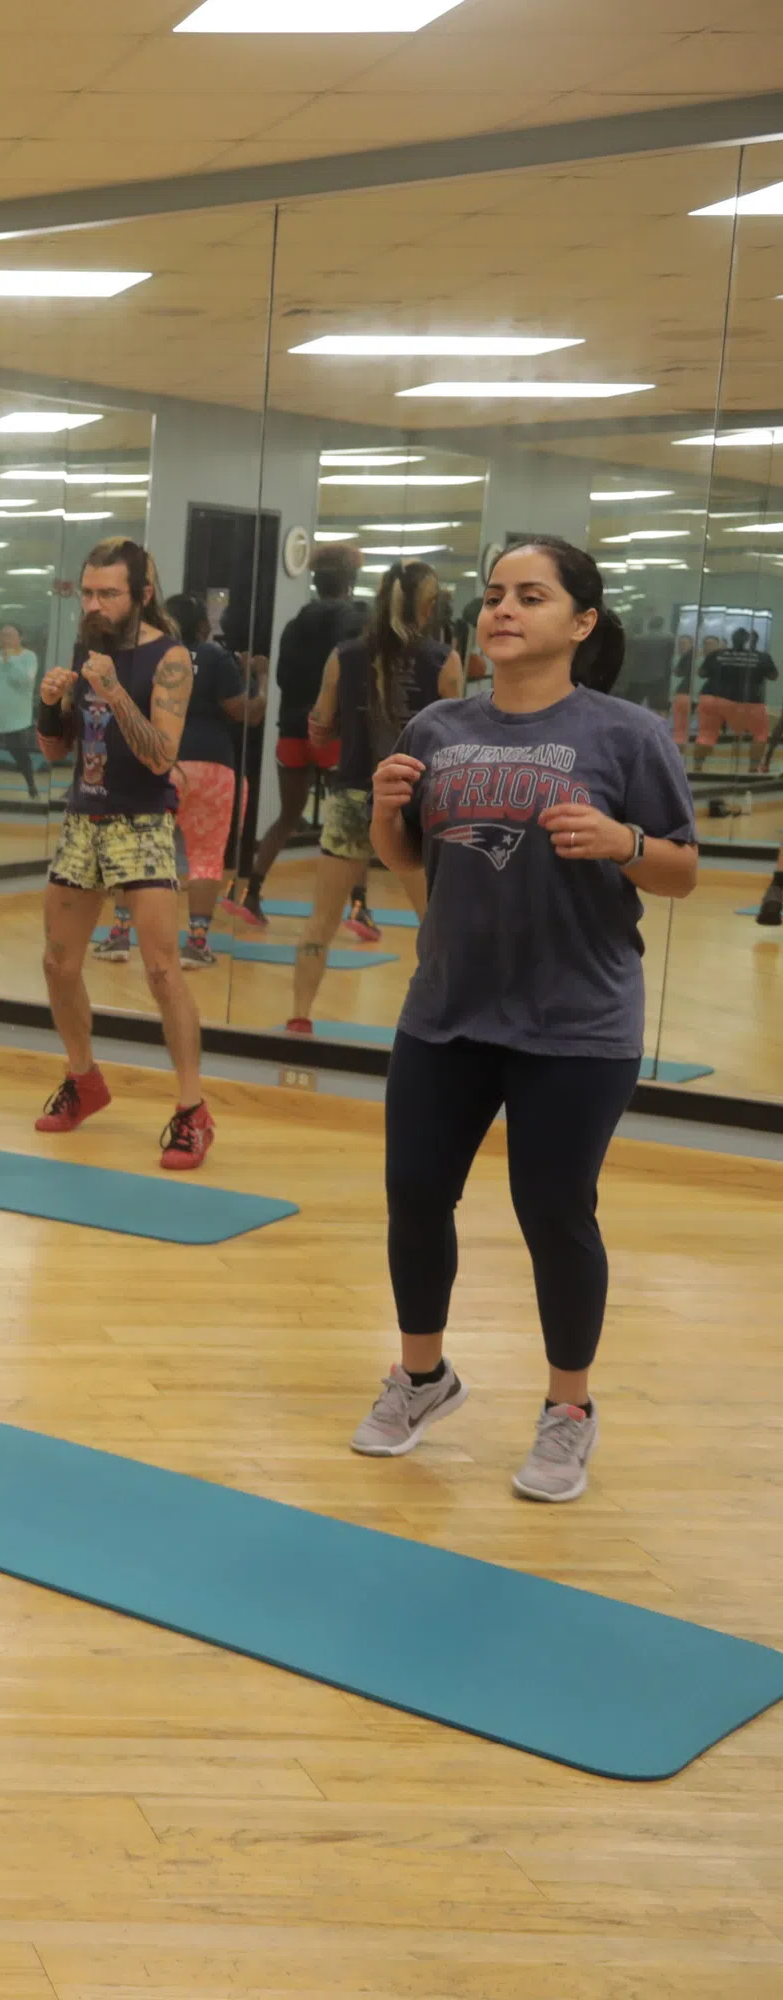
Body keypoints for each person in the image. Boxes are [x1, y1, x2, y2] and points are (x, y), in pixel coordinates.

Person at [348, 536, 697, 1503]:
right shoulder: (436, 727)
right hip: (447, 1008)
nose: (503, 610)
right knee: (416, 1195)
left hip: (577, 1021)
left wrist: (624, 841)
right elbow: (408, 859)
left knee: (553, 1212)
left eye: (530, 596)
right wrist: (385, 810)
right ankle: (422, 1378)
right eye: (494, 595)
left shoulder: (627, 735)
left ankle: (568, 1411)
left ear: (579, 624)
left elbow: (682, 868)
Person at [30, 539, 213, 1171]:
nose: (95, 604)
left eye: (108, 593)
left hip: (141, 822)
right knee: (57, 964)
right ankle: (85, 1080)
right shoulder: (90, 645)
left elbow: (161, 755)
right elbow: (59, 753)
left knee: (162, 971)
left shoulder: (172, 659)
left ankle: (192, 1111)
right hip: (85, 818)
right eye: (87, 592)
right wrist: (50, 705)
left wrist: (112, 690)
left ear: (140, 594)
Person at [283, 562, 464, 1035]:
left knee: (321, 919)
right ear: (427, 607)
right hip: (414, 802)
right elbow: (456, 746)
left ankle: (298, 1017)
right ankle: (440, 1020)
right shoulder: (445, 661)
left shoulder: (344, 656)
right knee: (434, 923)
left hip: (351, 799)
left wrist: (333, 721)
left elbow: (320, 731)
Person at [235, 544, 367, 925]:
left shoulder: (294, 625)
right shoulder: (357, 620)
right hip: (335, 732)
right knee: (354, 818)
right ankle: (360, 907)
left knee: (288, 816)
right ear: (351, 583)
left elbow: (280, 678)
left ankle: (251, 893)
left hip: (291, 731)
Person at [157, 592, 258, 968]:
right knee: (205, 858)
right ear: (203, 625)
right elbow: (242, 711)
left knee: (146, 854)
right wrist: (256, 680)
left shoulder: (156, 656)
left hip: (162, 761)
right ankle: (196, 944)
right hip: (212, 764)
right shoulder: (216, 657)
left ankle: (119, 936)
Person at [692, 626, 776, 776]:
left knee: (706, 733)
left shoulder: (717, 654)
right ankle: (752, 769)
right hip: (749, 701)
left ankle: (697, 768)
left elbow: (701, 673)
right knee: (760, 734)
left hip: (712, 697)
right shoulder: (762, 657)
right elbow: (773, 676)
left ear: (733, 640)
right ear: (752, 642)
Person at [0, 621, 45, 801]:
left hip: (16, 718)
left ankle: (31, 786)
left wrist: (9, 660)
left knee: (19, 753)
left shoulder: (29, 656)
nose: (5, 639)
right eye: (3, 635)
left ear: (20, 638)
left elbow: (25, 681)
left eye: (10, 635)